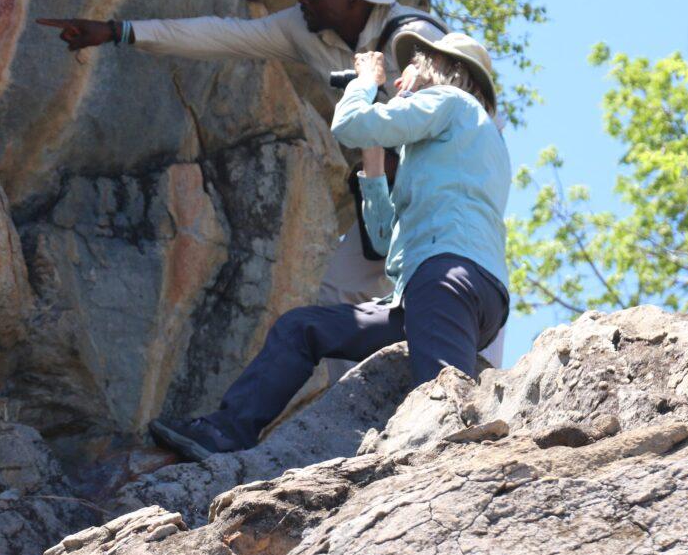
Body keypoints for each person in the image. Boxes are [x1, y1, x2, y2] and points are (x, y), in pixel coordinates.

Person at [37, 0, 447, 308]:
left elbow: (469, 122)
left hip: (447, 186)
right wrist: (117, 31)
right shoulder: (303, 29)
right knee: (335, 297)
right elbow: (221, 35)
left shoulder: (414, 38)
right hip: (386, 187)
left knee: (438, 292)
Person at [151, 30, 511, 461]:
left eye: (411, 66)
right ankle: (225, 431)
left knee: (445, 425)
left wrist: (365, 82)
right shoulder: (467, 143)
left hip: (443, 281)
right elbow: (381, 240)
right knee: (302, 329)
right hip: (440, 291)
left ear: (438, 70)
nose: (402, 76)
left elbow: (349, 124)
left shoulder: (452, 103)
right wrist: (374, 165)